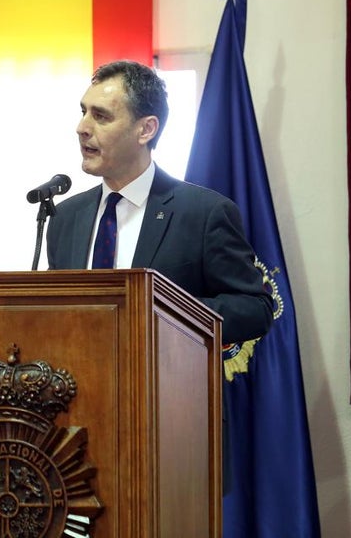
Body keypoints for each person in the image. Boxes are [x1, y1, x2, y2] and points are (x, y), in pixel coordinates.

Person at [46, 60, 273, 344]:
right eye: (83, 112)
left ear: (146, 130)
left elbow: (255, 309)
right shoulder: (66, 216)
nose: (82, 127)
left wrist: (162, 317)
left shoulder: (204, 214)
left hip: (165, 381)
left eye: (101, 116)